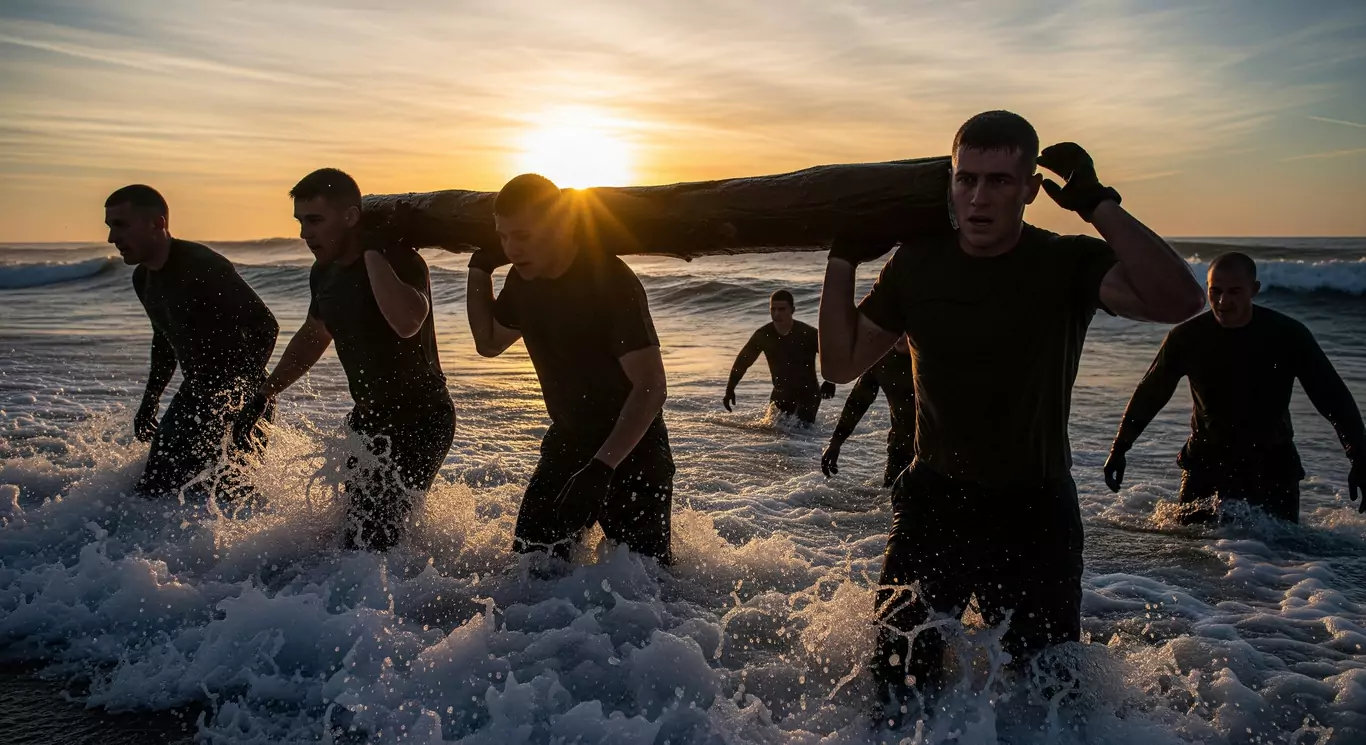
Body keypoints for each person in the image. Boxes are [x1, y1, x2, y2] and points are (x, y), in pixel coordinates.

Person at [817, 110, 1205, 720]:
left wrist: (1097, 204)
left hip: (1035, 514)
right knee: (897, 692)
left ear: (1029, 190)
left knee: (1044, 702)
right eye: (965, 178)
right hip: (933, 504)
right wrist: (842, 259)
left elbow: (1182, 299)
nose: (978, 197)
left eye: (999, 181)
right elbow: (838, 364)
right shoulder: (917, 265)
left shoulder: (1065, 263)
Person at [236, 168, 454, 551]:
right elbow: (314, 334)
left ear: (351, 217)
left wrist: (372, 249)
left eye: (316, 220)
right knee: (353, 535)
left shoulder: (399, 260)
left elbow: (406, 322)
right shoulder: (323, 273)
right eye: (301, 221)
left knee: (377, 538)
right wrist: (266, 391)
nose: (306, 233)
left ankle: (406, 601)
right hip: (368, 419)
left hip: (421, 418)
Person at [466, 174, 674, 564]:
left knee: (645, 587)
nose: (512, 248)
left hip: (633, 448)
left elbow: (651, 388)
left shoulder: (609, 280)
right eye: (504, 237)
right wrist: (479, 268)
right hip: (568, 440)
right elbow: (489, 342)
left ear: (561, 224)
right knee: (531, 570)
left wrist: (601, 468)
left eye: (523, 235)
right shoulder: (523, 278)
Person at [1103, 252, 1364, 523]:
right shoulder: (1187, 338)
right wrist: (1120, 448)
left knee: (1286, 561)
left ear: (1255, 289)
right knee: (1188, 552)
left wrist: (1359, 458)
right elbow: (1151, 393)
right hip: (1206, 465)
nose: (1223, 302)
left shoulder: (1287, 335)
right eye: (1215, 291)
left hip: (1272, 468)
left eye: (1234, 292)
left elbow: (1333, 398)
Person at [105, 184, 278, 498]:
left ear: (157, 223)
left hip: (239, 397)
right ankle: (148, 547)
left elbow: (265, 325)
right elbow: (164, 338)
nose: (112, 238)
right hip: (195, 393)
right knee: (155, 488)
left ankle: (237, 548)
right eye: (110, 227)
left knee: (231, 494)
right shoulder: (143, 278)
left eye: (121, 226)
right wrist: (151, 398)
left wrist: (250, 396)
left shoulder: (201, 265)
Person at [724, 290, 836, 425]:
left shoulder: (808, 333)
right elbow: (743, 361)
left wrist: (831, 380)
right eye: (773, 309)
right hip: (780, 392)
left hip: (808, 393)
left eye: (782, 309)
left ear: (792, 310)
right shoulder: (763, 335)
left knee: (802, 433)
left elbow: (832, 354)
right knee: (775, 434)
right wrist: (730, 389)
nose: (777, 314)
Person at [821, 335, 915, 487]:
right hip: (900, 447)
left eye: (905, 330)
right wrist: (836, 442)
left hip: (939, 451)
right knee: (894, 500)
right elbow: (857, 403)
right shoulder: (881, 361)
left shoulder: (934, 359)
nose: (899, 334)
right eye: (896, 328)